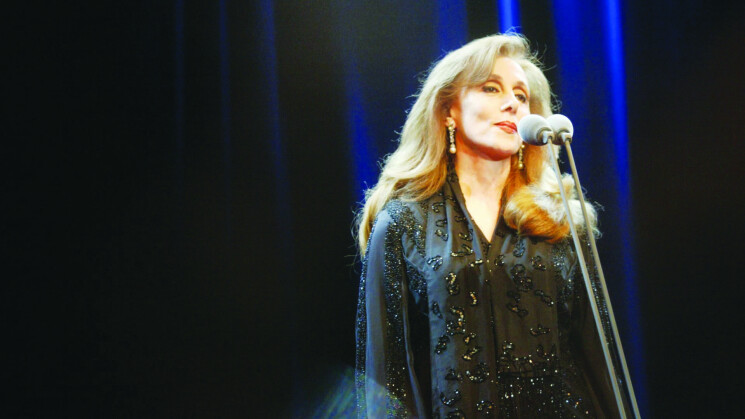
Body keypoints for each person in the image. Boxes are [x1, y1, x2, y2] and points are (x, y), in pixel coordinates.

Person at [354, 34, 632, 418]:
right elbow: (388, 372)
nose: (512, 103)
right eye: (491, 88)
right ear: (448, 110)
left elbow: (596, 356)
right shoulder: (403, 222)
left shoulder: (558, 219)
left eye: (521, 95)